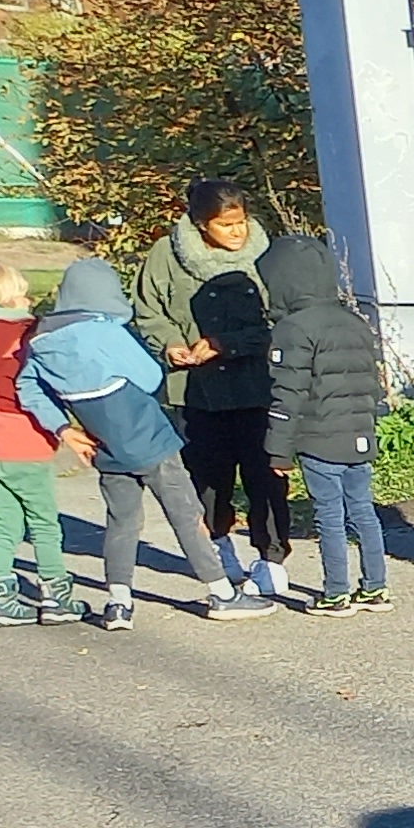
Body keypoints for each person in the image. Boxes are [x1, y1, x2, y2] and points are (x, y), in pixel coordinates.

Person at [18, 257, 260, 628]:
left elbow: (28, 387)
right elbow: (148, 378)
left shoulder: (41, 341)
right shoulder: (105, 332)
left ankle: (118, 602)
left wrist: (63, 429)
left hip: (106, 447)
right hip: (149, 439)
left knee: (121, 522)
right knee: (186, 515)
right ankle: (222, 593)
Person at [131, 179, 290, 602]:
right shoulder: (165, 256)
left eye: (241, 222)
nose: (237, 232)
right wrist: (169, 345)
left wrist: (227, 344)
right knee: (207, 479)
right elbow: (149, 311)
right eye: (225, 225)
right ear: (201, 224)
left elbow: (282, 319)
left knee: (266, 477)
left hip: (259, 386)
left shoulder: (268, 257)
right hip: (195, 392)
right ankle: (219, 549)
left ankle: (271, 559)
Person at [256, 234, 393, 614]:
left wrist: (278, 451)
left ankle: (335, 592)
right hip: (358, 434)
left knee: (329, 515)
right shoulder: (354, 321)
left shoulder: (293, 329)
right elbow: (371, 383)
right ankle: (375, 588)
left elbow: (288, 395)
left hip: (318, 438)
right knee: (363, 510)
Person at [0, 262, 81, 626]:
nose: (28, 299)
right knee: (43, 519)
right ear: (6, 298)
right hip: (24, 437)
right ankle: (56, 592)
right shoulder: (24, 334)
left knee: (5, 517)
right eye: (22, 292)